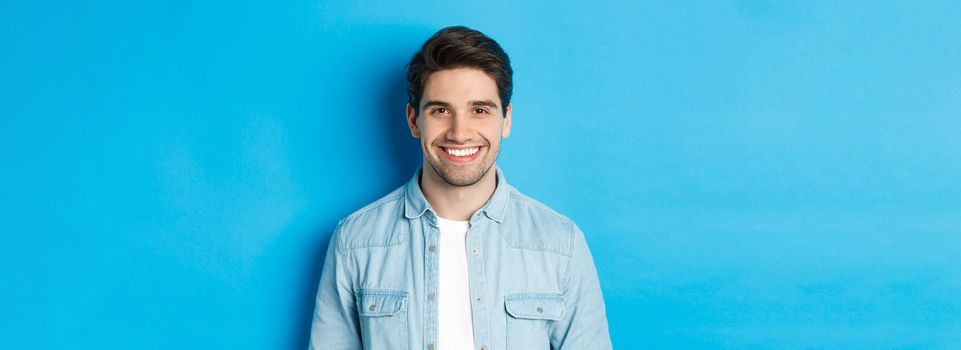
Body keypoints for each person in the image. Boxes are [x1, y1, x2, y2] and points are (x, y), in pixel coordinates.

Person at [309, 25, 612, 350]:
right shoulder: (356, 241)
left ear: (506, 120)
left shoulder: (560, 244)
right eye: (441, 110)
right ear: (413, 120)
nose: (459, 132)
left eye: (479, 110)